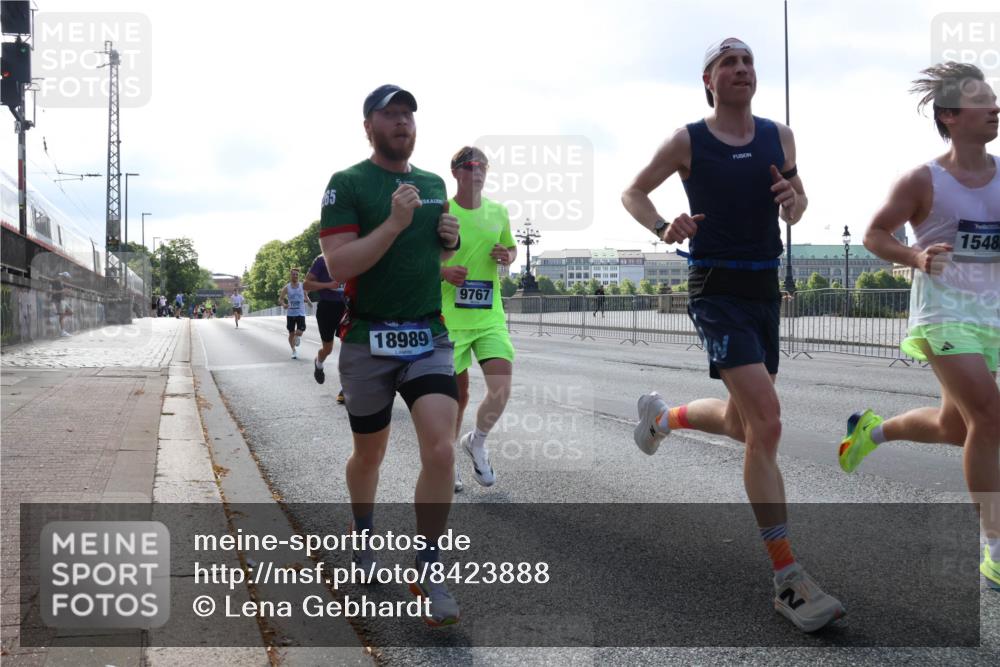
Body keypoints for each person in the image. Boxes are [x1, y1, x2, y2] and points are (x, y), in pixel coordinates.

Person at [621, 37, 844, 632]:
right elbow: (633, 191)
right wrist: (662, 224)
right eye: (729, 62)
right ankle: (788, 579)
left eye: (748, 61)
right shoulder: (688, 140)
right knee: (768, 421)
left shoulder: (780, 136)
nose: (742, 69)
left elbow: (797, 205)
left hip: (763, 287)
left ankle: (662, 419)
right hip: (715, 287)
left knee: (746, 422)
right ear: (709, 81)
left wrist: (794, 202)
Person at [838, 62, 1000, 590]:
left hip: (993, 315)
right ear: (951, 116)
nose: (996, 108)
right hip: (944, 314)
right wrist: (914, 254)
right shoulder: (922, 179)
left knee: (958, 427)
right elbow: (873, 234)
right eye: (984, 101)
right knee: (990, 417)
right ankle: (995, 547)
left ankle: (872, 432)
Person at [319, 84, 462, 626]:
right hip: (367, 339)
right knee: (370, 454)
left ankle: (427, 567)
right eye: (391, 115)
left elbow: (436, 253)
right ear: (369, 127)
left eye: (408, 115)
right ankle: (363, 540)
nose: (403, 123)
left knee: (442, 451)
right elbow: (338, 267)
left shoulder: (431, 185)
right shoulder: (347, 184)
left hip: (427, 334)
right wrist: (396, 223)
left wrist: (446, 238)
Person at [440, 146, 517, 493]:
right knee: (457, 395)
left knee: (501, 389)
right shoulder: (442, 211)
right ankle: (447, 461)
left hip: (489, 316)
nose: (479, 171)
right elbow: (420, 257)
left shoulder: (498, 211)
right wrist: (443, 272)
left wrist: (507, 255)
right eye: (472, 166)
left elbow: (511, 249)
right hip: (449, 319)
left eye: (484, 166)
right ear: (455, 171)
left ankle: (477, 441)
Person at [304, 253, 346, 404]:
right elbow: (306, 285)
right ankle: (319, 363)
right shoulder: (322, 259)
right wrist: (328, 285)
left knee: (349, 347)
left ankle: (345, 388)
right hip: (327, 307)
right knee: (327, 349)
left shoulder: (354, 255)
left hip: (347, 307)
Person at [279, 268, 312, 359]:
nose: (295, 276)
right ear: (291, 276)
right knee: (291, 334)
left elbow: (305, 295)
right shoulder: (287, 287)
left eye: (297, 275)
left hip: (300, 313)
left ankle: (297, 337)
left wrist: (309, 302)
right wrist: (284, 304)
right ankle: (294, 351)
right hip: (290, 314)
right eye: (294, 274)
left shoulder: (302, 286)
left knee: (300, 331)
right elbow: (280, 299)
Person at [51, 271, 71, 336]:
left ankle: (62, 330)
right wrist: (62, 291)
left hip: (62, 300)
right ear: (63, 277)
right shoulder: (56, 281)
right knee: (62, 315)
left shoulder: (61, 282)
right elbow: (53, 292)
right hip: (58, 301)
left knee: (70, 312)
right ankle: (62, 332)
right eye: (66, 278)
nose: (67, 280)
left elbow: (62, 292)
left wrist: (67, 292)